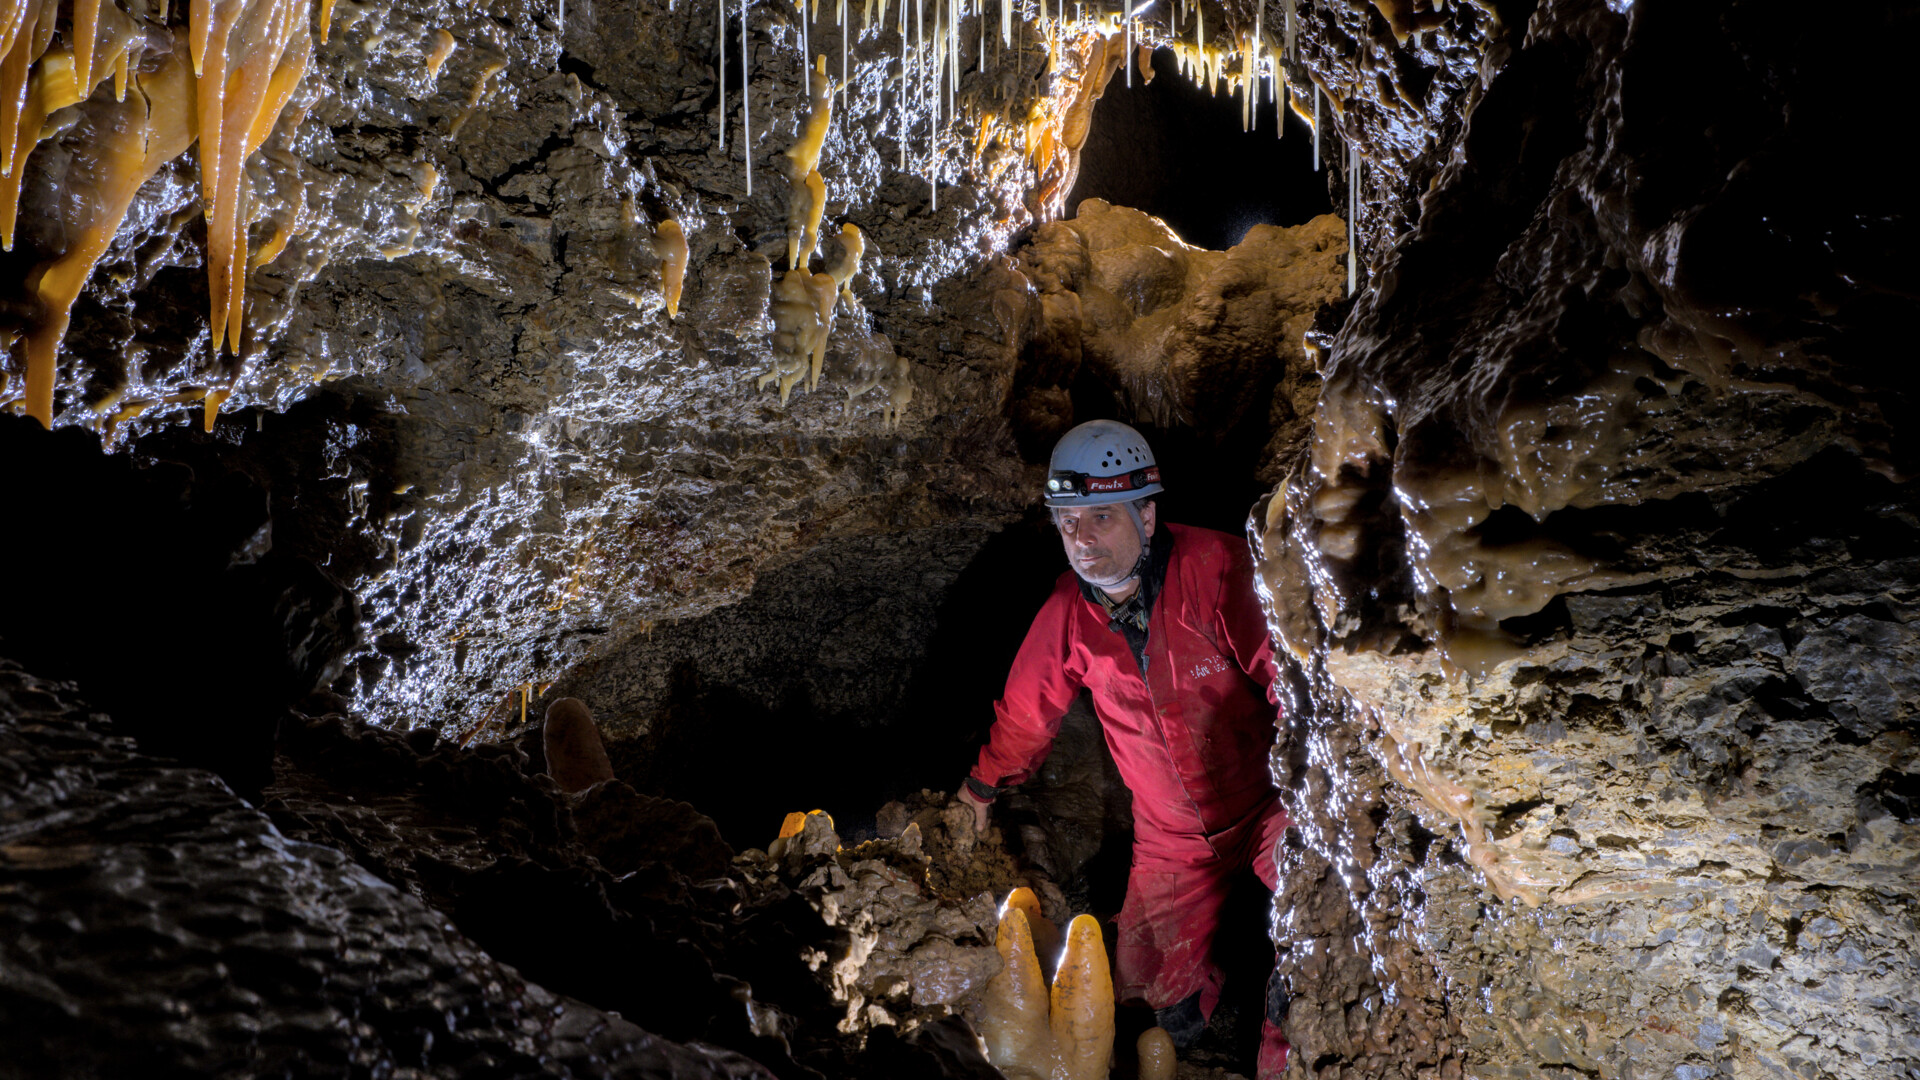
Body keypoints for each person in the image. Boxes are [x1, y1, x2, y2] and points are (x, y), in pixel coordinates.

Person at [957, 419, 1291, 1077]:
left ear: (1147, 511)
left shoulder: (1219, 568)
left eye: (1101, 517)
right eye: (1068, 520)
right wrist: (979, 790)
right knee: (1145, 1009)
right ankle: (1209, 984)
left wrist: (1320, 792)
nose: (1082, 539)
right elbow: (1027, 712)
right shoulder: (1067, 611)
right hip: (1171, 836)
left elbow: (1293, 682)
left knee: (1314, 940)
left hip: (1271, 807)